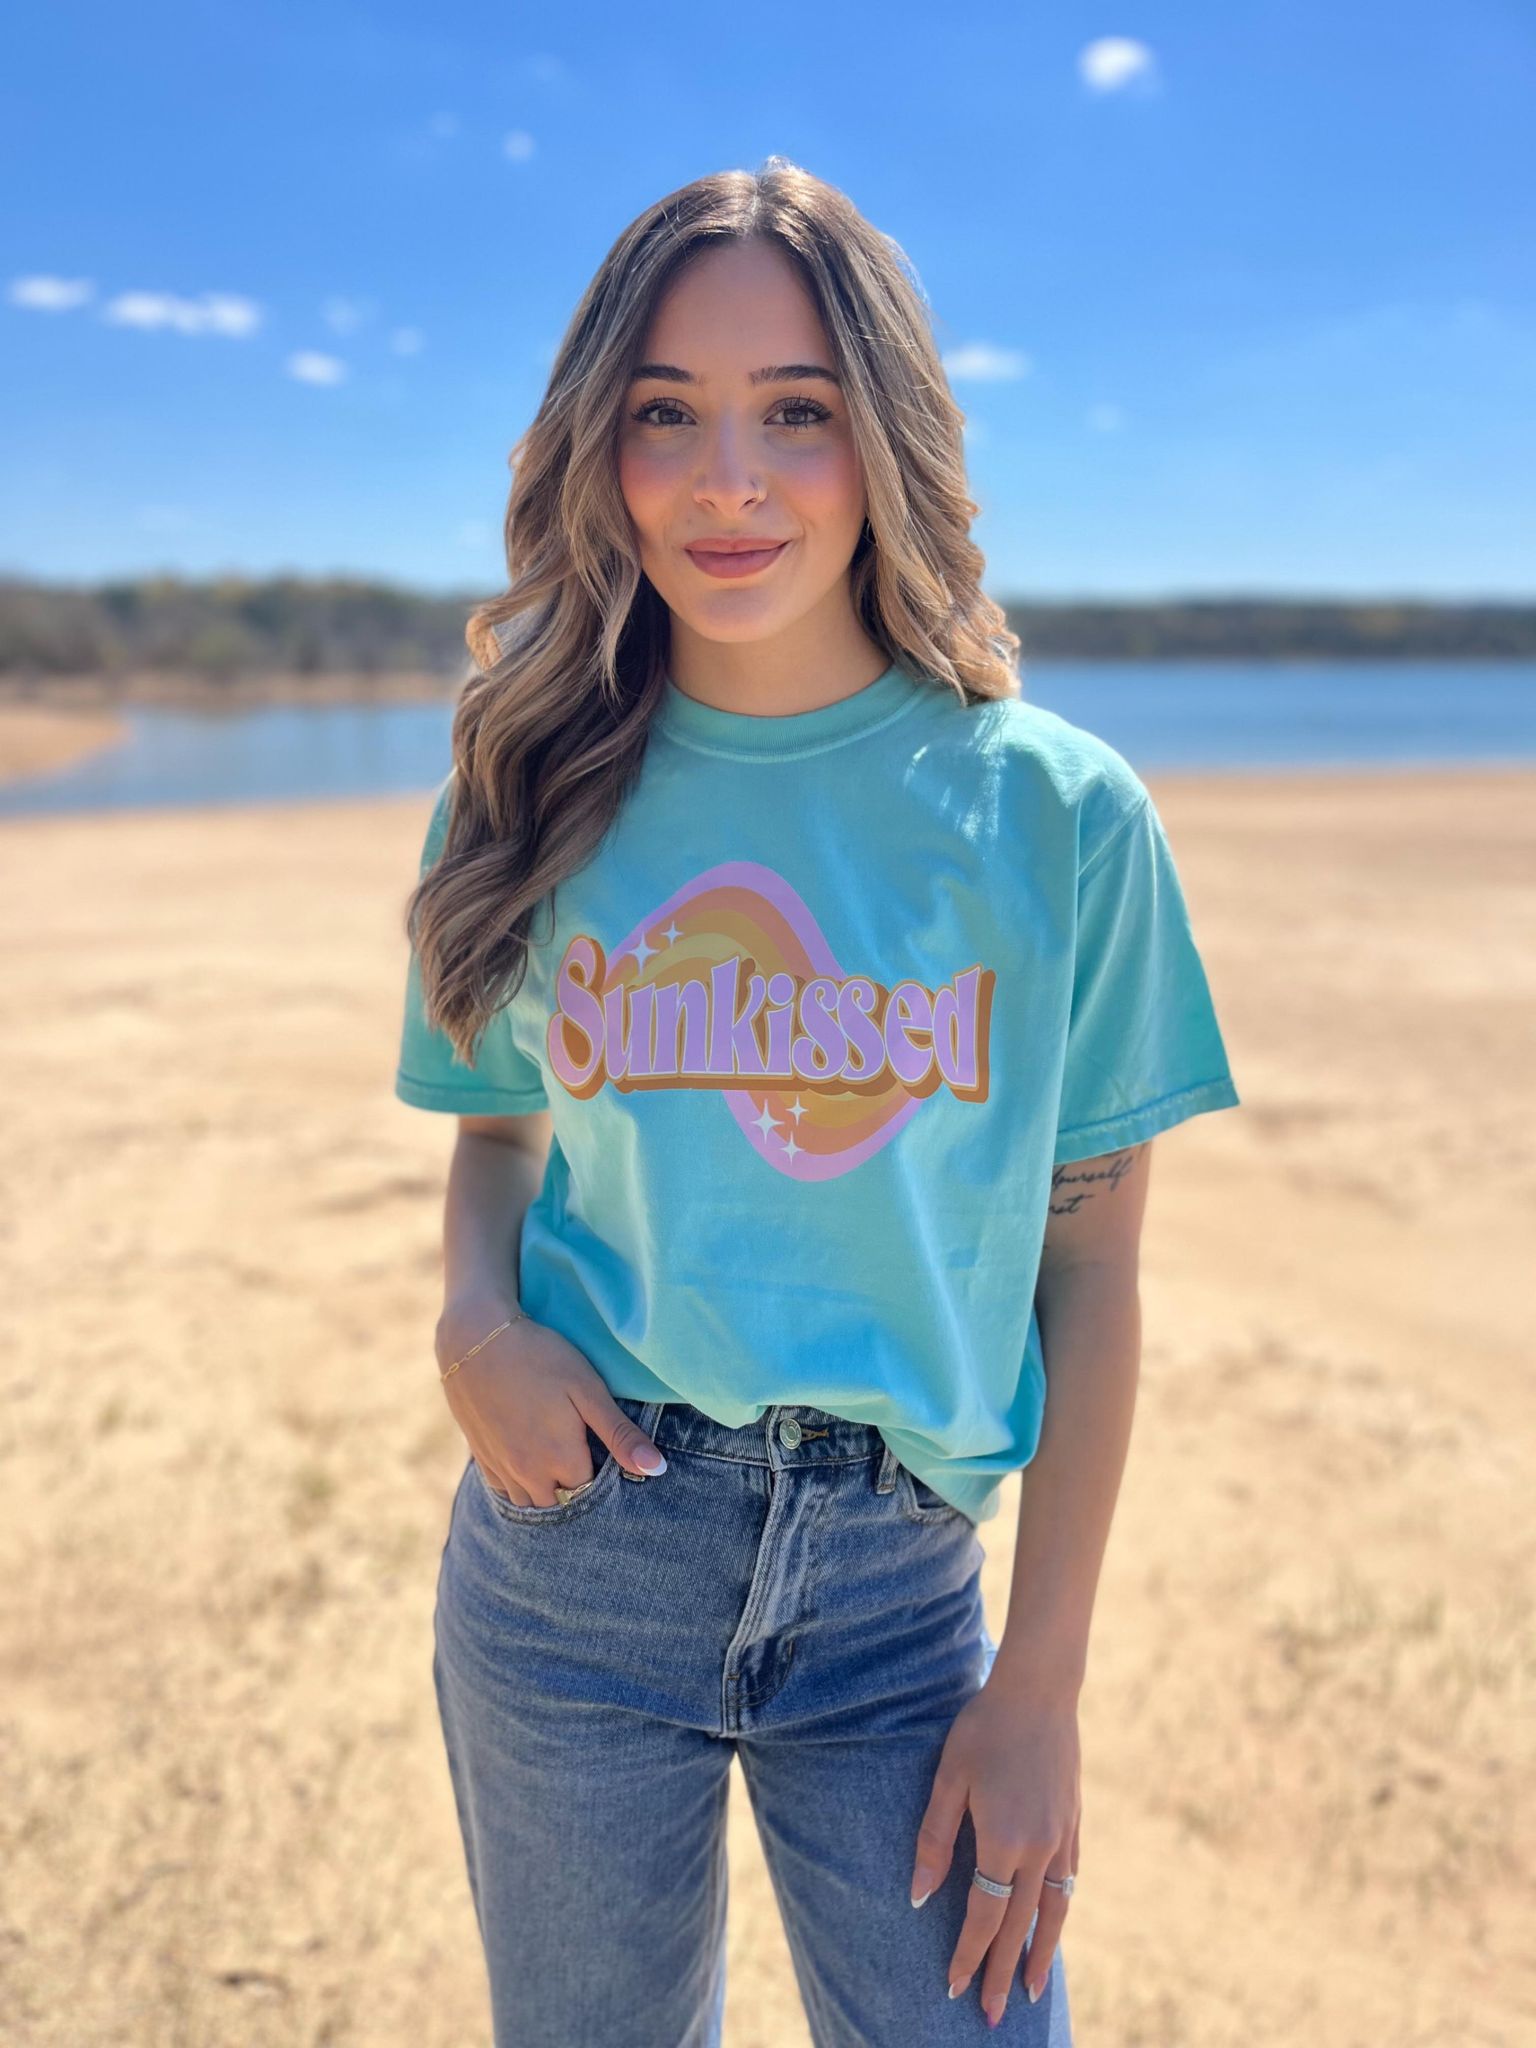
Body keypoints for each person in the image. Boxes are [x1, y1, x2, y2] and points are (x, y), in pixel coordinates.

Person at [393, 156, 1240, 2047]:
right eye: (665, 418)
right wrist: (474, 1321)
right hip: (572, 1572)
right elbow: (498, 1134)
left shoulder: (1059, 814)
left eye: (798, 413)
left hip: (897, 1601)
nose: (731, 482)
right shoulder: (532, 786)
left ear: (890, 438)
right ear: (598, 454)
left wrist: (1043, 1686)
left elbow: (1088, 1277)